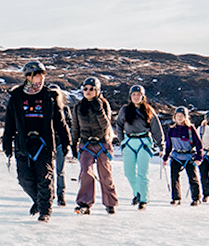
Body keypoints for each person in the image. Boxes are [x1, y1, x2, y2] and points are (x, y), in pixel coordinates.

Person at [1, 59, 71, 222]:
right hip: (23, 145)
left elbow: (60, 123)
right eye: (37, 75)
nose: (40, 78)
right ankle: (38, 201)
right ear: (29, 77)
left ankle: (45, 211)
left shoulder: (49, 96)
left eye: (42, 75)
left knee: (44, 178)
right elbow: (9, 123)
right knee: (24, 179)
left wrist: (67, 142)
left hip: (44, 144)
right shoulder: (16, 96)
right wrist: (6, 143)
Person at [70, 77, 119, 214]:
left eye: (91, 89)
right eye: (85, 89)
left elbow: (106, 125)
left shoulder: (103, 104)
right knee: (86, 172)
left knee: (105, 174)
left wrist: (99, 110)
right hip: (86, 144)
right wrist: (74, 144)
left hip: (102, 143)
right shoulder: (79, 107)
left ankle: (110, 203)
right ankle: (84, 203)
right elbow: (75, 127)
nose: (88, 91)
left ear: (97, 90)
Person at [113, 84, 163, 210]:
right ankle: (137, 193)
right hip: (129, 142)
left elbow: (156, 128)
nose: (136, 97)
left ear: (143, 96)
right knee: (129, 172)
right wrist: (121, 140)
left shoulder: (148, 110)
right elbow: (118, 125)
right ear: (130, 96)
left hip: (144, 142)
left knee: (142, 173)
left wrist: (160, 144)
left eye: (138, 95)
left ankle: (143, 200)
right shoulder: (124, 110)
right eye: (134, 95)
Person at [162, 107, 204, 206]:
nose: (179, 118)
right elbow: (169, 145)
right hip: (176, 157)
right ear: (174, 117)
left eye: (181, 116)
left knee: (193, 178)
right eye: (178, 116)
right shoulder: (172, 130)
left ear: (185, 117)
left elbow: (199, 144)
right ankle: (176, 198)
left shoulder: (190, 129)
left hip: (189, 156)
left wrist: (199, 158)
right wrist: (165, 157)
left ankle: (196, 198)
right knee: (174, 178)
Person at [49, 83, 71, 208]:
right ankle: (50, 194)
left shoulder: (65, 109)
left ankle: (61, 195)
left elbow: (68, 127)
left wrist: (67, 144)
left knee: (60, 171)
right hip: (48, 144)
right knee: (49, 171)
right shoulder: (45, 108)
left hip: (60, 144)